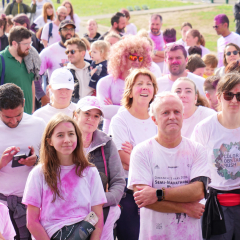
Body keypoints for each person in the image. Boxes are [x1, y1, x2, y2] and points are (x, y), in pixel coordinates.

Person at [128, 91, 210, 240]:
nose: (172, 116)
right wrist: (185, 207)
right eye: (165, 112)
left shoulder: (197, 150)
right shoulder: (141, 152)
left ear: (183, 116)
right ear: (154, 119)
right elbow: (143, 199)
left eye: (177, 112)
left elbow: (198, 191)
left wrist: (157, 194)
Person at [22, 113, 106, 239]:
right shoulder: (38, 173)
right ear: (50, 141)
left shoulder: (90, 172)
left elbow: (97, 217)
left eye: (71, 134)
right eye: (60, 135)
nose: (67, 140)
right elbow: (32, 222)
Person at [109, 68, 158, 240]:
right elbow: (123, 158)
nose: (145, 88)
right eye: (140, 84)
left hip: (157, 191)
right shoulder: (120, 119)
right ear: (130, 92)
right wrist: (150, 161)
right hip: (130, 193)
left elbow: (166, 153)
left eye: (149, 84)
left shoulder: (158, 117)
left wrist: (135, 153)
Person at [191, 72, 240, 239]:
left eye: (239, 96)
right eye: (229, 95)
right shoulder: (204, 128)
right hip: (215, 202)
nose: (234, 100)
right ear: (219, 97)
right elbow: (194, 167)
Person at [73, 96, 125, 239]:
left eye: (96, 116)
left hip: (101, 211)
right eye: (87, 114)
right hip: (68, 212)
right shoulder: (63, 141)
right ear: (75, 115)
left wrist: (97, 201)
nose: (91, 119)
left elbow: (119, 183)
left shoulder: (107, 143)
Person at [0, 83, 46, 240]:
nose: (13, 121)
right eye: (7, 117)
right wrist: (1, 163)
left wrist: (37, 161)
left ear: (24, 103)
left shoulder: (39, 125)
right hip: (1, 206)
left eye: (18, 115)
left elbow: (54, 164)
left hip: (32, 206)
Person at [97, 35, 152, 133]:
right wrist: (137, 109)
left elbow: (149, 111)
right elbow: (104, 111)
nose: (136, 61)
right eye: (133, 57)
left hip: (137, 133)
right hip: (111, 134)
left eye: (140, 58)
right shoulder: (105, 82)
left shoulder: (145, 84)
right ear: (121, 57)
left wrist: (115, 107)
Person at [35, 19, 76, 106]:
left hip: (76, 101)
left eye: (71, 29)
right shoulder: (49, 51)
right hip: (55, 101)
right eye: (65, 29)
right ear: (59, 32)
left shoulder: (81, 50)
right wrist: (42, 96)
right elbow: (35, 75)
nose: (69, 32)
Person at [0, 26, 40, 114]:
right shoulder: (1, 59)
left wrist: (32, 110)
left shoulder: (30, 58)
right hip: (8, 119)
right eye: (26, 44)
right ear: (14, 44)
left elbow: (31, 84)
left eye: (30, 43)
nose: (29, 47)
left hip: (27, 116)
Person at [65, 37, 94, 102]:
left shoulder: (93, 69)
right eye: (67, 52)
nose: (69, 54)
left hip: (92, 107)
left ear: (83, 53)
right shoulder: (64, 73)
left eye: (72, 51)